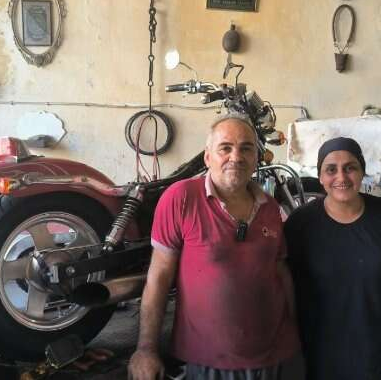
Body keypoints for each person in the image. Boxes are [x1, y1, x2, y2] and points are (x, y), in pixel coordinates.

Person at [128, 114, 300, 380]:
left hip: (278, 356)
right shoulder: (181, 198)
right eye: (225, 148)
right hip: (207, 360)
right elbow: (159, 276)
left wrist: (298, 335)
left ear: (256, 158)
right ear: (208, 157)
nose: (236, 157)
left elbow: (280, 272)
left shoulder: (271, 208)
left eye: (246, 148)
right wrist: (146, 349)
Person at [284, 137, 381, 380]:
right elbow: (288, 287)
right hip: (322, 350)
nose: (341, 177)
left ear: (362, 172)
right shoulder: (300, 224)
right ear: (320, 177)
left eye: (350, 168)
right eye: (331, 170)